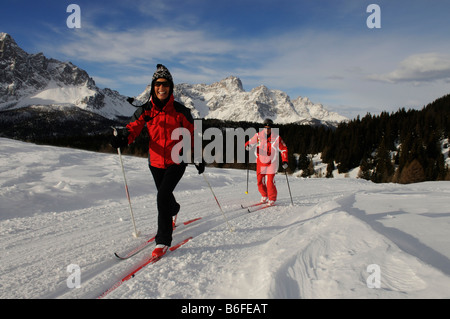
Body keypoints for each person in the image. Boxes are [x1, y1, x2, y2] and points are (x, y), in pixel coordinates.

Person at [111, 64, 204, 258]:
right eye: (158, 84)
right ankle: (175, 209)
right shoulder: (146, 110)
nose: (161, 88)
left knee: (162, 196)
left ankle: (163, 240)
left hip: (177, 160)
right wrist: (123, 137)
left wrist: (198, 156)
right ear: (153, 86)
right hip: (155, 162)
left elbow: (193, 133)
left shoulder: (180, 111)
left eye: (165, 84)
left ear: (171, 87)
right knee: (165, 195)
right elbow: (133, 128)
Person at [245, 118, 288, 205]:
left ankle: (272, 198)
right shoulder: (258, 136)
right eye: (265, 128)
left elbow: (284, 149)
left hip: (272, 162)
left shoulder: (276, 138)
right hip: (261, 162)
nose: (267, 130)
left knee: (269, 181)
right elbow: (249, 143)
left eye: (269, 128)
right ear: (263, 128)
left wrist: (285, 161)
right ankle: (264, 195)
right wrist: (248, 146)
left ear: (271, 128)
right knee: (260, 181)